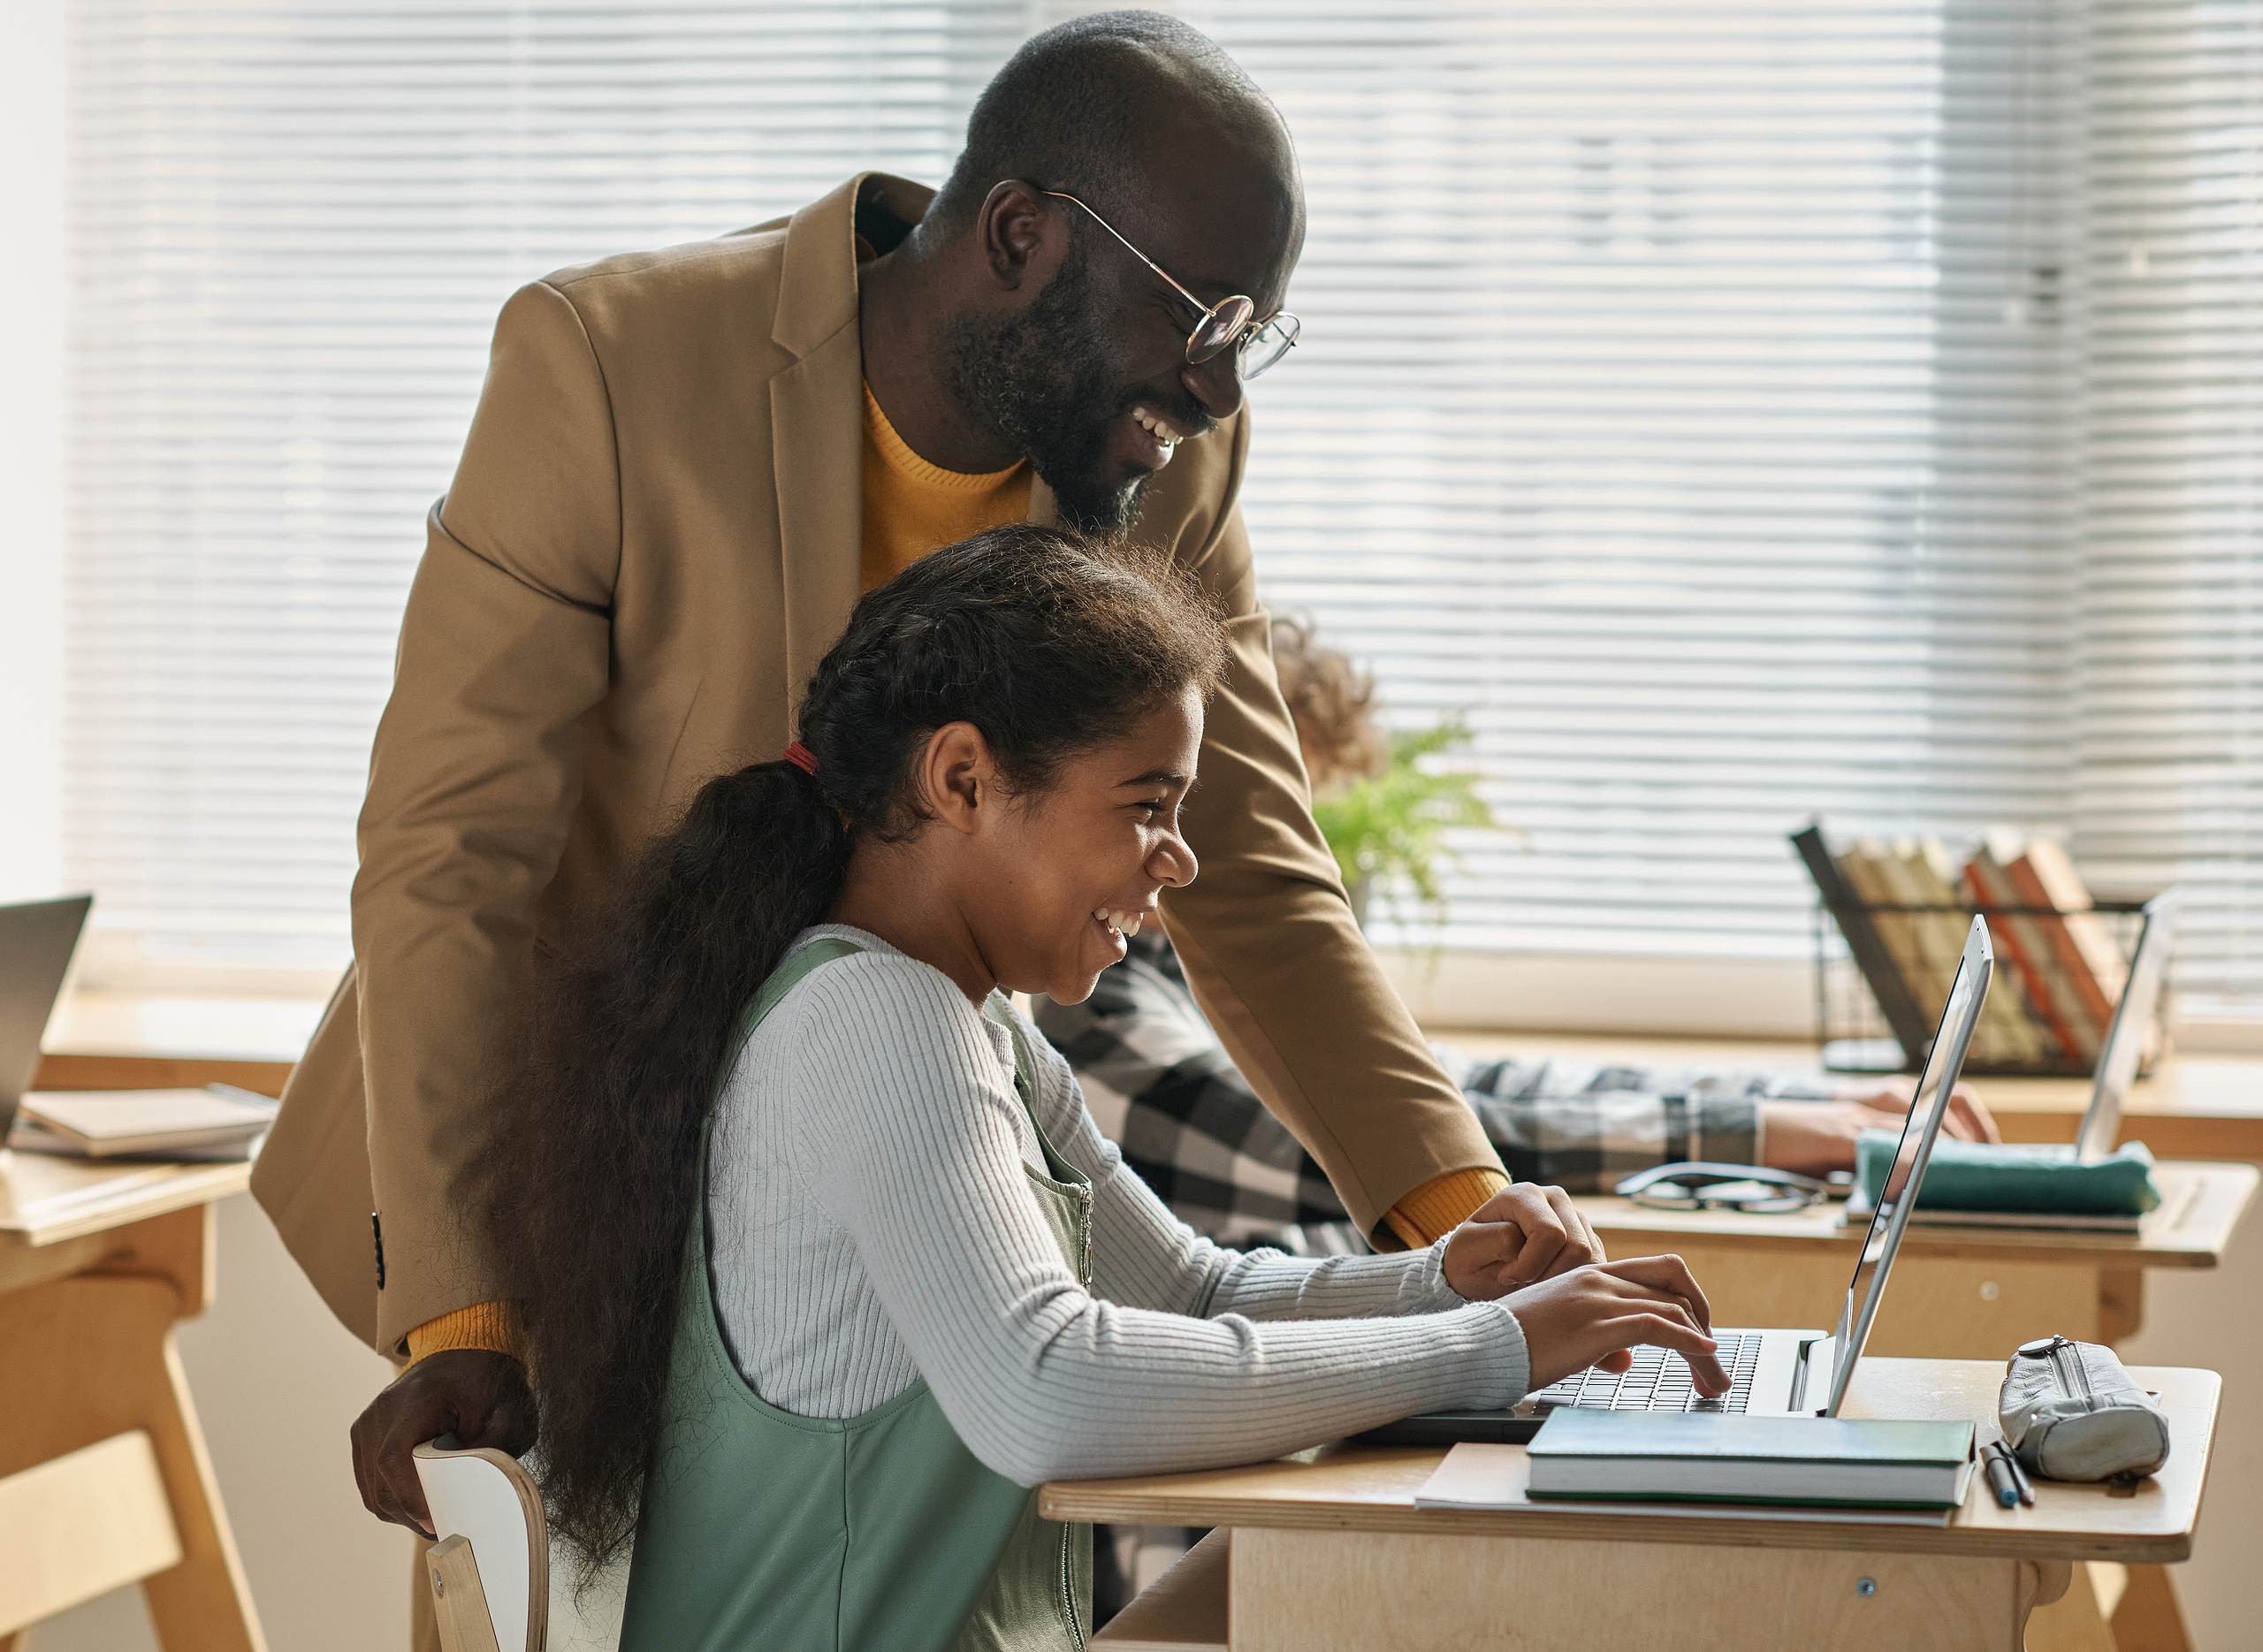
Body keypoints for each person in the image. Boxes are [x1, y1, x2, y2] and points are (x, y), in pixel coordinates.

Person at [263, 13, 1589, 1550]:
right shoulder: (608, 364)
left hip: (888, 1170)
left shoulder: (1165, 462)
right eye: (1204, 318)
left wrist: (1467, 1221)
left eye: (1250, 338)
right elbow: (451, 856)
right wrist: (470, 1304)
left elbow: (1259, 875)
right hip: (582, 1156)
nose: (1218, 391)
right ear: (1022, 234)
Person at [485, 525, 1727, 1648]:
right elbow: (1046, 1388)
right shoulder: (871, 1018)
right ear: (962, 780)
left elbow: (1194, 1290)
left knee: (1333, 1583)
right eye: (1147, 806)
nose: (1179, 857)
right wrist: (1491, 1347)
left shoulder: (980, 1026)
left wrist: (1444, 1280)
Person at [1039, 619, 2002, 1254]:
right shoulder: (1085, 1014)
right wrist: (1777, 1134)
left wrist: (1803, 1101)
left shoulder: (1168, 966)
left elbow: (1457, 1087)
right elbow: (1360, 1145)